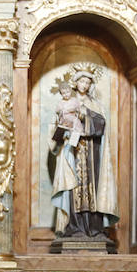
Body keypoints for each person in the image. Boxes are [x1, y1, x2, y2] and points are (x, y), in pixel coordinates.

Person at [49, 70, 117, 239]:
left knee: (93, 188)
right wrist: (62, 130)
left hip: (92, 153)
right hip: (73, 152)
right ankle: (75, 227)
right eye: (82, 82)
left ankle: (95, 229)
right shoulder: (65, 103)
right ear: (75, 83)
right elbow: (54, 127)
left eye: (88, 82)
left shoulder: (95, 104)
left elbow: (101, 123)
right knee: (74, 187)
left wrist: (83, 117)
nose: (84, 85)